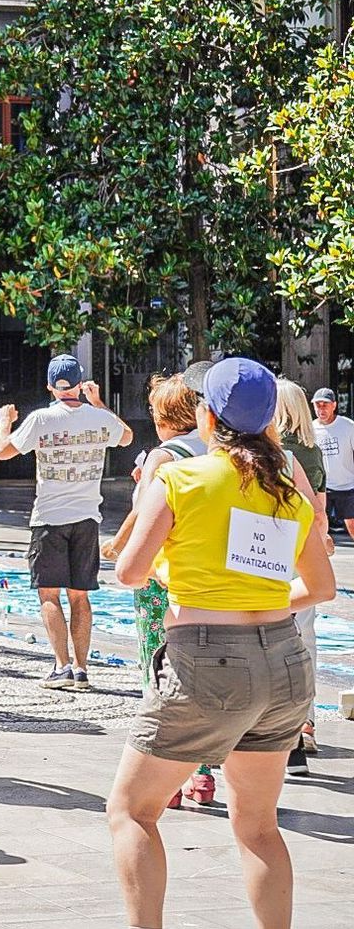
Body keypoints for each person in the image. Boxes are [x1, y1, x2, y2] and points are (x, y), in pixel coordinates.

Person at [107, 357, 336, 929]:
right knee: (258, 825)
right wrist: (258, 600)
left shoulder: (181, 479)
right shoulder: (286, 490)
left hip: (205, 659)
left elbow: (130, 572)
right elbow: (322, 588)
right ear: (270, 422)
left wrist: (182, 579)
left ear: (207, 417)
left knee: (132, 811)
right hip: (284, 661)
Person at [102, 373, 216, 807]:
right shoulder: (215, 451)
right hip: (204, 574)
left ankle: (165, 778)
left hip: (160, 573)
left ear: (162, 414)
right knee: (197, 670)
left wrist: (117, 544)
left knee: (158, 668)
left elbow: (146, 513)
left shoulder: (163, 455)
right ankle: (201, 775)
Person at [0, 354, 133, 691]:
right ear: (81, 384)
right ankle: (82, 669)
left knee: (49, 595)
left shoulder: (41, 418)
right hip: (87, 517)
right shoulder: (98, 418)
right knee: (80, 597)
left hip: (49, 518)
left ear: (50, 386)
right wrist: (98, 403)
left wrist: (4, 422)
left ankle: (62, 666)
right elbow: (127, 436)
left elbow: (3, 452)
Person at [275, 380, 332, 777]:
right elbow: (320, 509)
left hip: (266, 551)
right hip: (303, 551)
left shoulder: (269, 451)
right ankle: (305, 722)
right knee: (304, 636)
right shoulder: (312, 451)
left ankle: (277, 729)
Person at [310, 387, 354, 537]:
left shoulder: (348, 426)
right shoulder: (311, 428)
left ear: (334, 405)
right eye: (318, 405)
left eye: (325, 405)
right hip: (323, 486)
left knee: (351, 524)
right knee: (319, 525)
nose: (321, 409)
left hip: (347, 485)